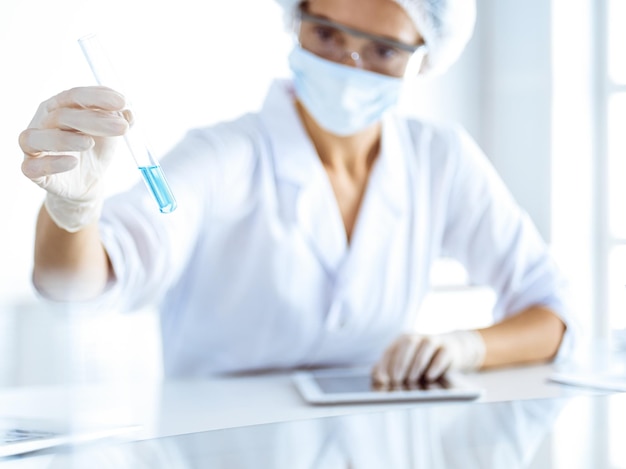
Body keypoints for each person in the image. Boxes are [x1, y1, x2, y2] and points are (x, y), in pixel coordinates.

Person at [19, 0, 576, 385]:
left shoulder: (440, 161)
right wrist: (72, 211)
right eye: (327, 34)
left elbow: (552, 316)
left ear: (425, 56)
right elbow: (73, 285)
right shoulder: (222, 156)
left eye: (383, 50)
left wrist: (466, 348)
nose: (348, 65)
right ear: (295, 21)